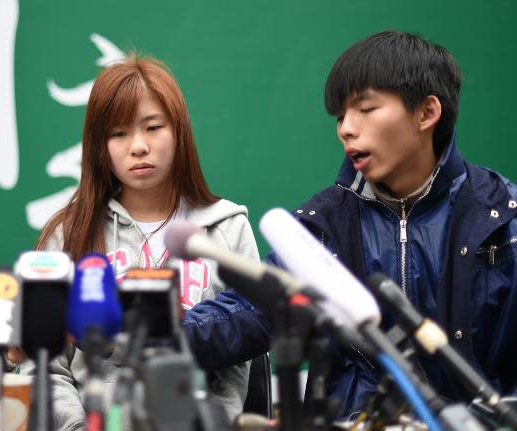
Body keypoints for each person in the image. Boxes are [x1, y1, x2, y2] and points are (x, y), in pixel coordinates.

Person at [184, 30, 517, 418]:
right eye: (341, 115)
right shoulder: (326, 224)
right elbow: (251, 309)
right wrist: (153, 333)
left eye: (365, 108)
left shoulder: (503, 221)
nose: (345, 128)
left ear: (427, 112)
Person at [34, 54, 261, 430]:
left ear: (179, 132)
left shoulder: (226, 229)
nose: (138, 146)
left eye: (152, 127)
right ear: (99, 147)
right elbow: (44, 364)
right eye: (119, 134)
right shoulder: (69, 233)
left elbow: (236, 364)